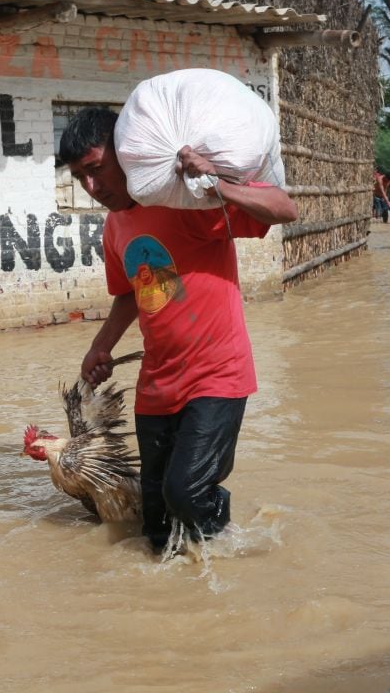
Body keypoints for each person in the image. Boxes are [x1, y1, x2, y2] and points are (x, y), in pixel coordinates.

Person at [58, 107, 298, 555]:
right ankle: (180, 595)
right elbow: (131, 293)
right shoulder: (115, 226)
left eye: (95, 170)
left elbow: (285, 208)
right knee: (156, 526)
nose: (91, 188)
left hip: (216, 377)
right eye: (79, 178)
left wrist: (215, 183)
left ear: (126, 153)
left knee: (185, 494)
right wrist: (100, 346)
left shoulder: (185, 202)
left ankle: (231, 559)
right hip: (158, 386)